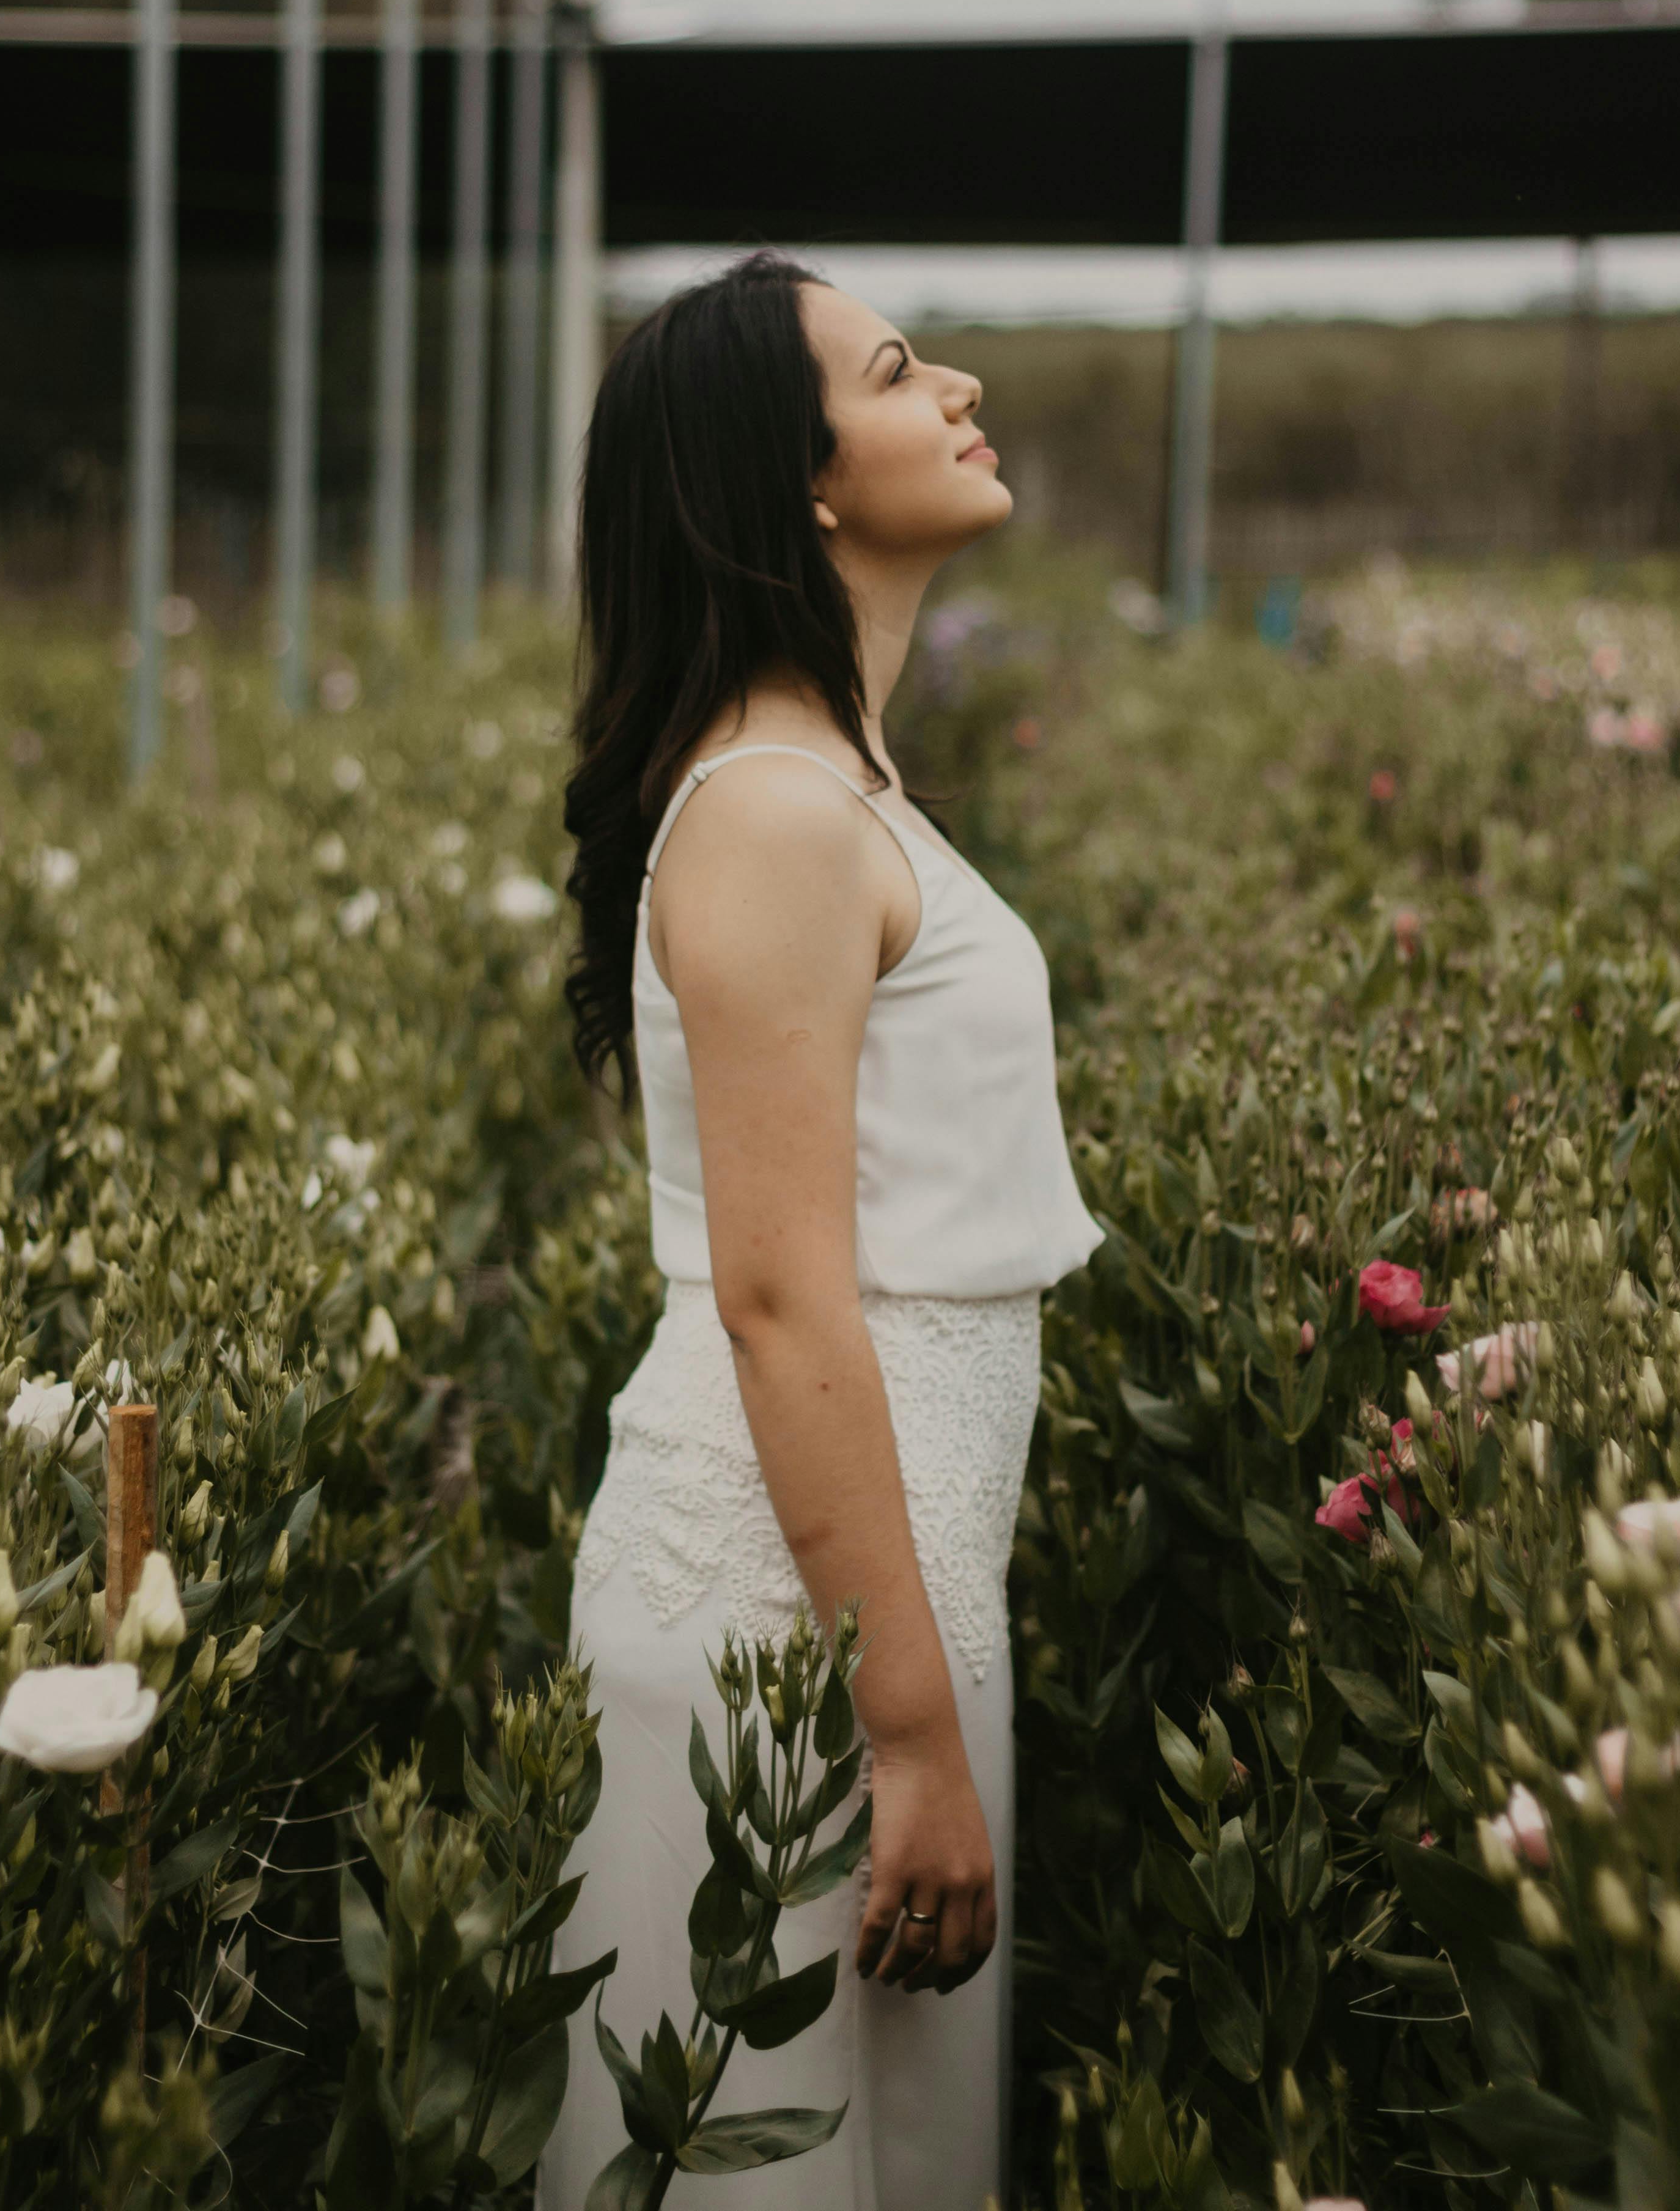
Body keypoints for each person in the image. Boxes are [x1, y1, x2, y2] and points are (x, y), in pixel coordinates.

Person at [540, 252, 1102, 2209]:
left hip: (876, 1600)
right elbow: (785, 1305)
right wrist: (914, 1736)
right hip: (796, 1630)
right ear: (803, 485)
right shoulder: (777, 809)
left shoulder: (828, 777)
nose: (956, 381)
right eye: (892, 369)